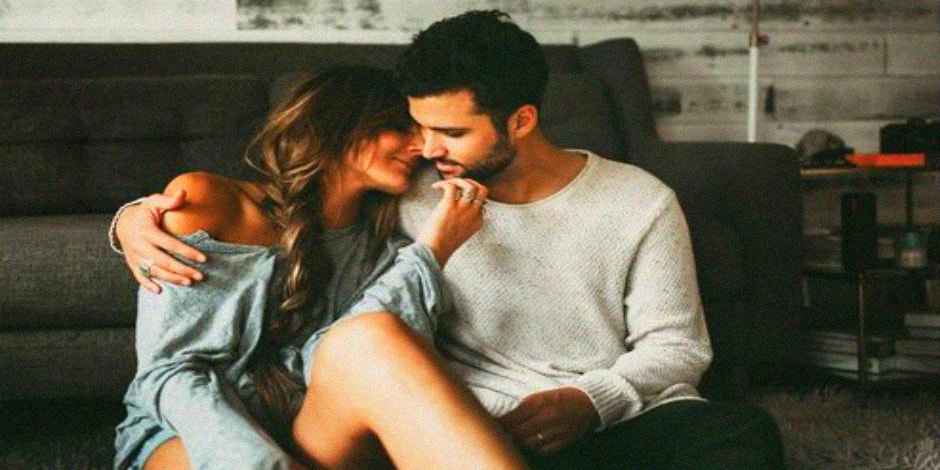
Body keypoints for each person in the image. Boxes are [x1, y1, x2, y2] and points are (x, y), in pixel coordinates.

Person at [114, 11, 787, 469]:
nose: (427, 150)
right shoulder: (408, 198)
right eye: (415, 128)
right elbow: (322, 301)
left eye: (449, 133)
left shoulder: (639, 201)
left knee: (743, 436)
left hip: (590, 416)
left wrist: (591, 401)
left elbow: (678, 347)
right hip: (463, 421)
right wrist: (132, 221)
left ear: (520, 120)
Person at [112, 65, 529, 470]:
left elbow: (351, 366)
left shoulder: (389, 241)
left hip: (312, 430)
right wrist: (266, 463)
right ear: (341, 125)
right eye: (401, 128)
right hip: (192, 433)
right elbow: (170, 373)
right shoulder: (211, 202)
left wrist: (432, 251)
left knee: (372, 335)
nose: (421, 146)